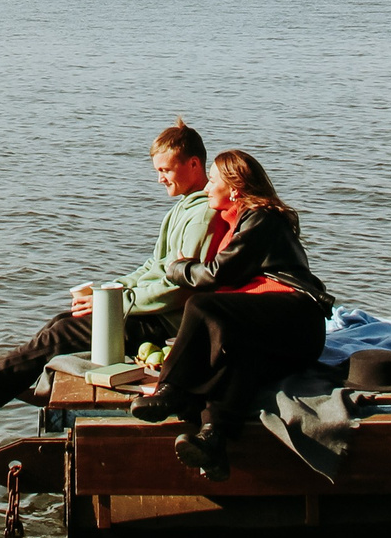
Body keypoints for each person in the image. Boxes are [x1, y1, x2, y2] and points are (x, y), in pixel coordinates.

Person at [0, 121, 214, 433]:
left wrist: (118, 304)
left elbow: (177, 289)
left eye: (166, 170)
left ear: (194, 164)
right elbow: (152, 268)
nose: (160, 179)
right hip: (151, 311)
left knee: (62, 333)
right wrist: (107, 293)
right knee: (61, 323)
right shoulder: (184, 209)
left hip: (166, 323)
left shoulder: (201, 216)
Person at [130, 148, 332, 481]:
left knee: (201, 305)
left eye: (212, 181)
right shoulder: (241, 222)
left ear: (235, 189)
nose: (207, 188)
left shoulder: (261, 218)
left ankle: (171, 389)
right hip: (289, 335)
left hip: (298, 316)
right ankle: (214, 439)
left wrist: (178, 267)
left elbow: (214, 275)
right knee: (239, 357)